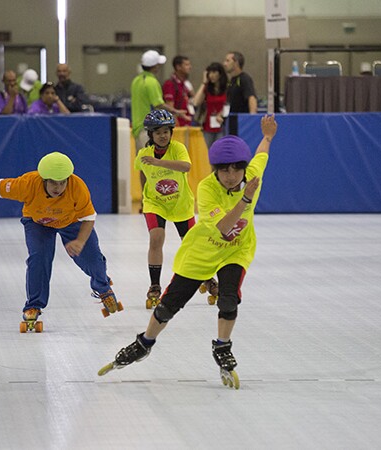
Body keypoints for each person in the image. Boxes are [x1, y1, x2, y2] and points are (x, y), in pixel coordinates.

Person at [98, 115, 278, 390]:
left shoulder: (251, 176)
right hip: (202, 252)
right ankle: (145, 342)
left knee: (229, 299)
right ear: (215, 170)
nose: (231, 176)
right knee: (169, 307)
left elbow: (261, 156)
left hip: (236, 251)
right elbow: (223, 227)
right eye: (224, 171)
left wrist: (267, 137)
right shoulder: (206, 188)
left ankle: (222, 346)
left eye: (236, 170)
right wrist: (245, 198)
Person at [0, 152, 122, 326]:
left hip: (72, 222)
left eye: (62, 182)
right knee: (39, 258)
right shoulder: (27, 184)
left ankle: (102, 288)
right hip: (38, 223)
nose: (58, 188)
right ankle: (33, 305)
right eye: (53, 183)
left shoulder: (77, 186)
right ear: (43, 179)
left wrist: (80, 241)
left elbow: (89, 217)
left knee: (92, 259)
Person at [135, 110, 217, 308]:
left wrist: (159, 162)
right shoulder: (144, 154)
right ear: (151, 135)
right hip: (155, 203)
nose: (163, 135)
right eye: (158, 132)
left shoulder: (178, 148)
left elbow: (185, 167)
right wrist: (143, 197)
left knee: (191, 244)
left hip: (180, 203)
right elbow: (142, 173)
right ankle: (155, 285)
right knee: (156, 238)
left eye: (166, 131)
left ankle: (206, 277)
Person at [131, 50, 188, 151]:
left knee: (143, 162)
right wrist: (177, 112)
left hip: (137, 127)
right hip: (148, 128)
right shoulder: (151, 82)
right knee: (153, 162)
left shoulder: (136, 80)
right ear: (155, 66)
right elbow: (159, 104)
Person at [192, 62, 228, 148]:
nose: (211, 75)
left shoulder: (227, 88)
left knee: (220, 149)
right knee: (208, 152)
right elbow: (196, 102)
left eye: (214, 72)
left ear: (220, 74)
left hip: (222, 124)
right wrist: (204, 83)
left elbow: (228, 104)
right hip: (207, 126)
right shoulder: (207, 88)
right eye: (210, 73)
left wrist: (222, 114)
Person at [162, 55, 194, 126]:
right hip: (178, 125)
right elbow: (170, 107)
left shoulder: (183, 84)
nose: (190, 67)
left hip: (186, 123)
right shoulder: (170, 84)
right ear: (178, 67)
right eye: (186, 65)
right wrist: (176, 125)